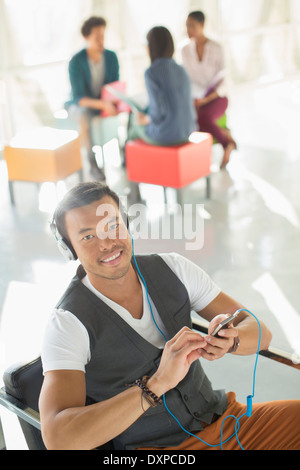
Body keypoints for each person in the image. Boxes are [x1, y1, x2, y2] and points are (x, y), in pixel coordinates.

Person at [39, 181, 300, 451]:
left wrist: (232, 340)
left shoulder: (174, 268)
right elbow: (59, 439)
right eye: (88, 237)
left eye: (113, 225)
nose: (107, 243)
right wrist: (156, 384)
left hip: (224, 422)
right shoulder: (67, 323)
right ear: (69, 248)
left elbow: (261, 333)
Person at [66, 16, 120, 179]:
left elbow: (115, 86)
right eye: (97, 36)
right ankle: (93, 163)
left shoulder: (111, 57)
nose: (101, 40)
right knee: (83, 115)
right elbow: (79, 97)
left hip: (103, 102)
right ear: (86, 37)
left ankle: (126, 154)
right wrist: (103, 105)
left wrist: (115, 103)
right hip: (82, 105)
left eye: (103, 35)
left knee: (131, 108)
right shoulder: (76, 61)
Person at [181, 11, 236, 168]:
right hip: (196, 98)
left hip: (217, 97)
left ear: (202, 25)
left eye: (192, 26)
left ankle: (227, 144)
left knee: (202, 118)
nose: (188, 31)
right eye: (186, 27)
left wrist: (206, 99)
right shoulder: (185, 50)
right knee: (189, 119)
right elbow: (186, 80)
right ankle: (224, 135)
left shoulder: (217, 48)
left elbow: (224, 81)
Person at [128, 26, 196, 145]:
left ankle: (127, 158)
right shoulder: (182, 69)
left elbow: (158, 113)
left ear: (150, 46)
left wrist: (145, 119)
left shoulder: (151, 72)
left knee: (134, 121)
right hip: (188, 130)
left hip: (167, 135)